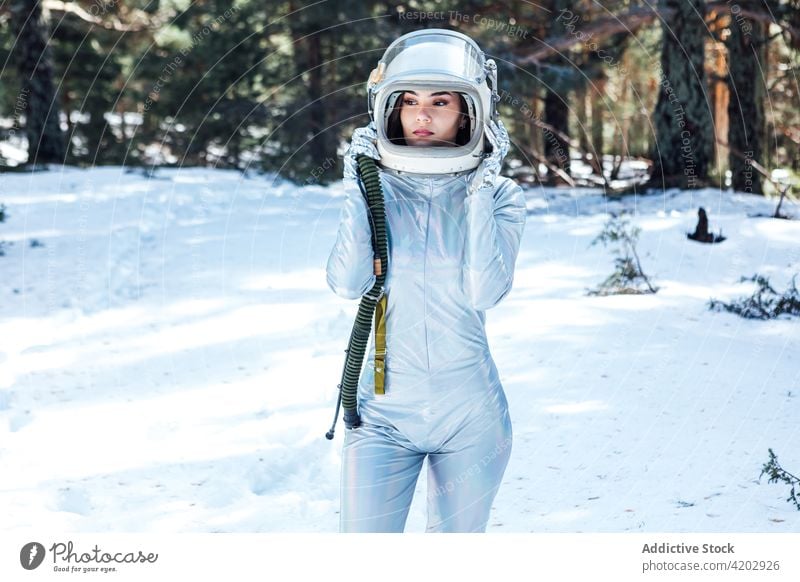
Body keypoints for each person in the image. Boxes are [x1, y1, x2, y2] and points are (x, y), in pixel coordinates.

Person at [326, 29, 527, 533]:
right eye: (409, 101)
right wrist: (358, 182)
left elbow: (485, 291)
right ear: (388, 108)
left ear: (470, 111)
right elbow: (348, 282)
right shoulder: (375, 188)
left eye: (441, 101)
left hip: (471, 420)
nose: (422, 115)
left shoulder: (501, 196)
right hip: (381, 419)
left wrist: (479, 188)